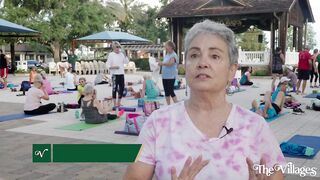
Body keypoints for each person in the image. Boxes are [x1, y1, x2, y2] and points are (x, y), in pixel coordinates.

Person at [124, 20, 285, 180]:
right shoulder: (158, 123)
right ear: (185, 66)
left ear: (231, 70)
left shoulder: (255, 127)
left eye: (215, 56)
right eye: (194, 55)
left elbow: (276, 174)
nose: (202, 63)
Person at [106, 41, 129, 107]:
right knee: (114, 88)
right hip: (114, 74)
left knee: (121, 88)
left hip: (121, 73)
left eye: (119, 47)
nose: (118, 48)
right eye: (117, 47)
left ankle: (119, 102)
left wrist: (125, 54)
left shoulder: (121, 54)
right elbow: (107, 64)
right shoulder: (111, 54)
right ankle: (114, 103)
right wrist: (113, 67)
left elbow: (126, 62)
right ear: (113, 47)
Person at [158, 41, 179, 105]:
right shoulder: (167, 54)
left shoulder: (174, 55)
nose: (165, 48)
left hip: (171, 76)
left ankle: (177, 105)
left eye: (166, 46)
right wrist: (159, 62)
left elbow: (170, 63)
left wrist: (162, 63)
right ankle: (168, 106)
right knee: (166, 92)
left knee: (171, 91)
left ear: (171, 47)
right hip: (165, 76)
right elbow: (165, 62)